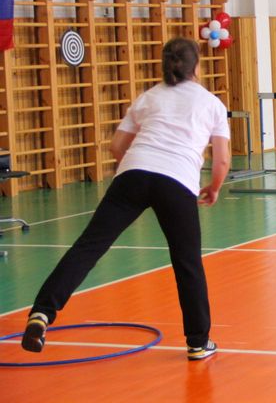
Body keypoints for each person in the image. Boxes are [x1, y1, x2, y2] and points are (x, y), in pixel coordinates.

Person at [21, 37, 230, 361]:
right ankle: (198, 342)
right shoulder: (210, 103)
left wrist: (133, 177)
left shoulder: (148, 97)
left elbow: (117, 147)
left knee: (88, 247)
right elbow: (222, 161)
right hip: (176, 181)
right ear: (197, 67)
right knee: (187, 262)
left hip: (132, 173)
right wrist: (214, 187)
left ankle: (42, 313)